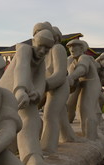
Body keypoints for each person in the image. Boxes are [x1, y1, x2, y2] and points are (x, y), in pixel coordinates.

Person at [0, 29, 59, 165]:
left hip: (25, 92)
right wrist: (20, 89)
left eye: (47, 48)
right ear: (33, 42)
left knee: (31, 120)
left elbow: (40, 79)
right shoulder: (24, 49)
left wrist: (37, 93)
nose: (43, 51)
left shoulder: (40, 60)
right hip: (8, 91)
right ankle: (28, 158)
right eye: (40, 46)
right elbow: (22, 68)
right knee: (14, 122)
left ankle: (32, 158)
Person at [33, 23, 77, 154]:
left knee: (50, 115)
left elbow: (59, 74)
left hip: (59, 86)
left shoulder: (57, 49)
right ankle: (67, 136)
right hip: (45, 86)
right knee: (30, 113)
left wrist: (42, 85)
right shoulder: (41, 52)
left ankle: (48, 147)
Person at [66, 39, 102, 140]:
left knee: (87, 108)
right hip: (82, 83)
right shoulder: (72, 60)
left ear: (82, 48)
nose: (72, 49)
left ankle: (91, 136)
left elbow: (82, 69)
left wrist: (71, 77)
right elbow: (70, 73)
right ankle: (87, 134)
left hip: (92, 82)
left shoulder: (84, 57)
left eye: (74, 46)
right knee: (79, 109)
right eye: (69, 47)